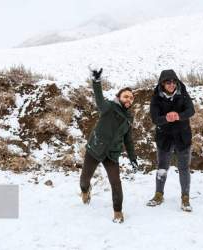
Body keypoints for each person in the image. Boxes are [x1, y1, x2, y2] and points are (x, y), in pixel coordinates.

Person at [79, 68, 139, 223]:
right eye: (126, 96)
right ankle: (86, 190)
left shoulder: (129, 118)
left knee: (116, 183)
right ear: (119, 97)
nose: (129, 100)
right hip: (95, 148)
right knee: (84, 179)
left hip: (112, 154)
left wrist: (133, 158)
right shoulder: (109, 107)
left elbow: (128, 140)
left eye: (131, 98)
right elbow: (99, 99)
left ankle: (117, 212)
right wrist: (97, 82)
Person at [147, 69, 195, 212]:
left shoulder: (183, 93)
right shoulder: (156, 97)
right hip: (164, 138)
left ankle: (185, 198)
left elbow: (191, 111)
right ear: (162, 84)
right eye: (168, 82)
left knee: (184, 168)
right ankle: (158, 195)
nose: (172, 84)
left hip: (183, 137)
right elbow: (155, 118)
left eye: (174, 81)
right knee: (162, 168)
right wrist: (166, 118)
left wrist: (179, 116)